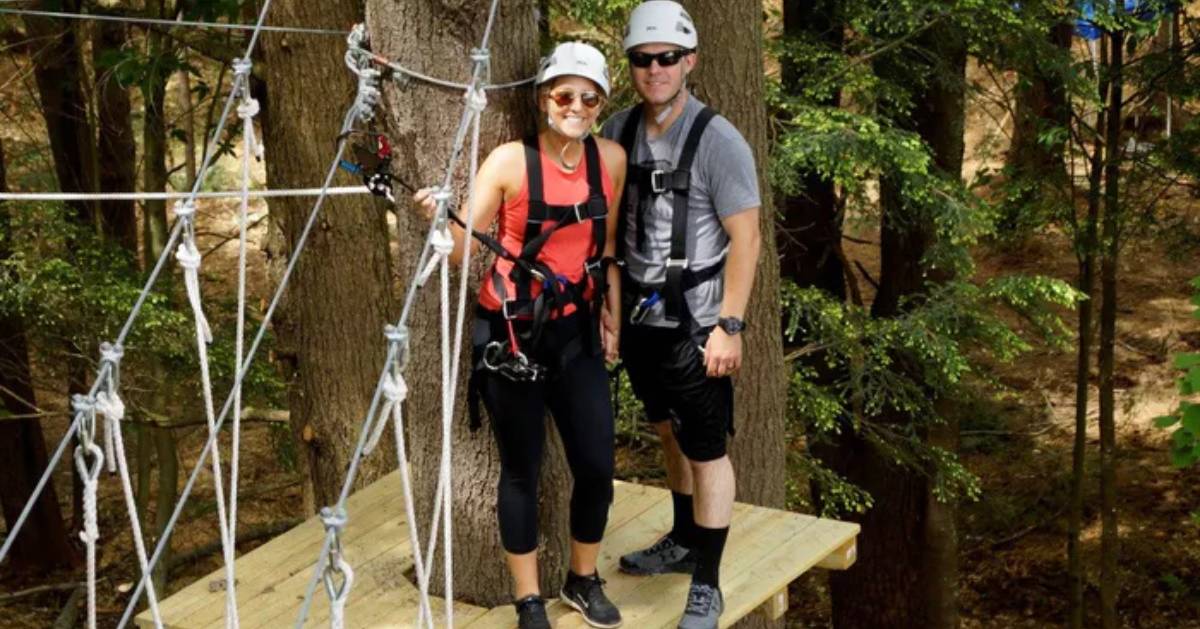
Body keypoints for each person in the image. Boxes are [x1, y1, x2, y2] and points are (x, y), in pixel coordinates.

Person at [413, 42, 626, 629]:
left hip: (576, 334)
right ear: (543, 99)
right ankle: (529, 600)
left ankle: (582, 579)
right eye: (564, 96)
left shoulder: (609, 160)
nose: (576, 107)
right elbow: (461, 250)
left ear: (601, 103)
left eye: (588, 98)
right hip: (511, 337)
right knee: (520, 471)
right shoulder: (510, 162)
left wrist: (612, 317)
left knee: (596, 465)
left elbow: (605, 252)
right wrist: (436, 216)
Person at [599, 2, 762, 628]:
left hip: (698, 323)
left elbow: (745, 239)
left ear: (689, 61)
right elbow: (610, 234)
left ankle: (707, 580)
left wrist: (730, 324)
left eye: (667, 58)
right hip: (642, 318)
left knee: (706, 448)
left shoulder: (717, 140)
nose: (655, 69)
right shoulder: (617, 132)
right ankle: (681, 537)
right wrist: (609, 311)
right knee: (665, 432)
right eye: (643, 60)